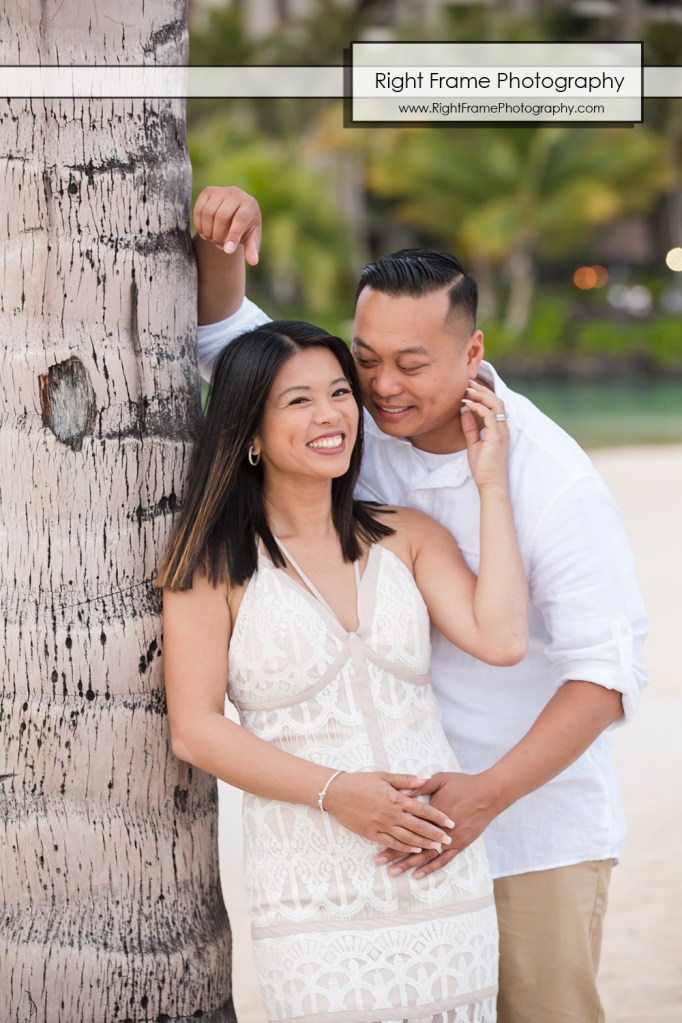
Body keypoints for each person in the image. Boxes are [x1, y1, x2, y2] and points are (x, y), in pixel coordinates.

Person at [191, 186, 649, 1023]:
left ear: (471, 352)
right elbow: (240, 352)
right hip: (382, 836)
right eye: (366, 359)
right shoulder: (353, 431)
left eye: (411, 364)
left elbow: (604, 677)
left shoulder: (551, 478)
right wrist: (224, 240)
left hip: (531, 828)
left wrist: (483, 794)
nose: (379, 387)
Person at [158, 319, 529, 1023]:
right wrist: (338, 793)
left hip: (439, 880)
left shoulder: (408, 537)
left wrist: (493, 487)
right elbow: (196, 731)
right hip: (310, 893)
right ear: (251, 435)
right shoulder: (211, 565)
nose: (331, 414)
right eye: (298, 401)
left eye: (338, 392)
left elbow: (503, 637)